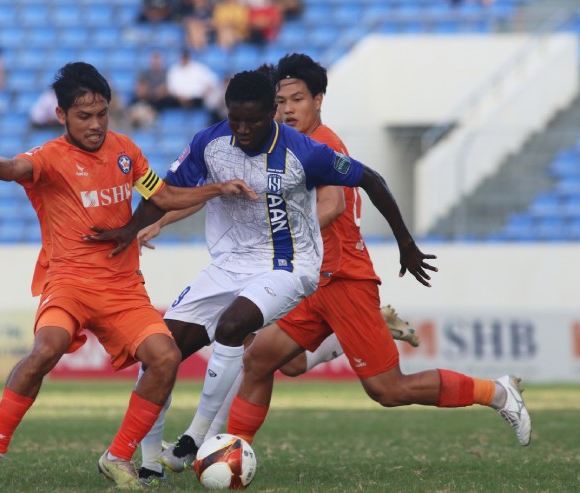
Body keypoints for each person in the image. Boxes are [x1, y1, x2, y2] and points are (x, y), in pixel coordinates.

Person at [86, 69, 437, 482]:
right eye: (236, 119)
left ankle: (195, 438)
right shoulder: (209, 143)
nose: (244, 129)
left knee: (234, 325)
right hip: (228, 264)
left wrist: (405, 243)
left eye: (253, 120)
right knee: (159, 351)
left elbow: (371, 179)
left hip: (290, 265)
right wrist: (130, 229)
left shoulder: (304, 152)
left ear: (272, 111)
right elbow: (166, 190)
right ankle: (146, 467)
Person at [0, 62, 257, 490]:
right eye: (84, 116)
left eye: (102, 114)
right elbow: (14, 169)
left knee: (165, 357)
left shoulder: (126, 151)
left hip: (122, 290)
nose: (95, 125)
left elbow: (163, 195)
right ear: (62, 117)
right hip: (70, 284)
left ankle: (118, 456)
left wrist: (217, 189)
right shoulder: (49, 157)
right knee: (46, 350)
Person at [215, 54, 531, 462]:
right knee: (260, 359)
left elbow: (332, 204)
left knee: (388, 390)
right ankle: (234, 457)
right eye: (281, 102)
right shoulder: (286, 146)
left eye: (297, 99)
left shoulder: (324, 144)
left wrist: (404, 242)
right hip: (313, 281)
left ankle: (498, 392)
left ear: (319, 100)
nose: (288, 109)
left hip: (344, 280)